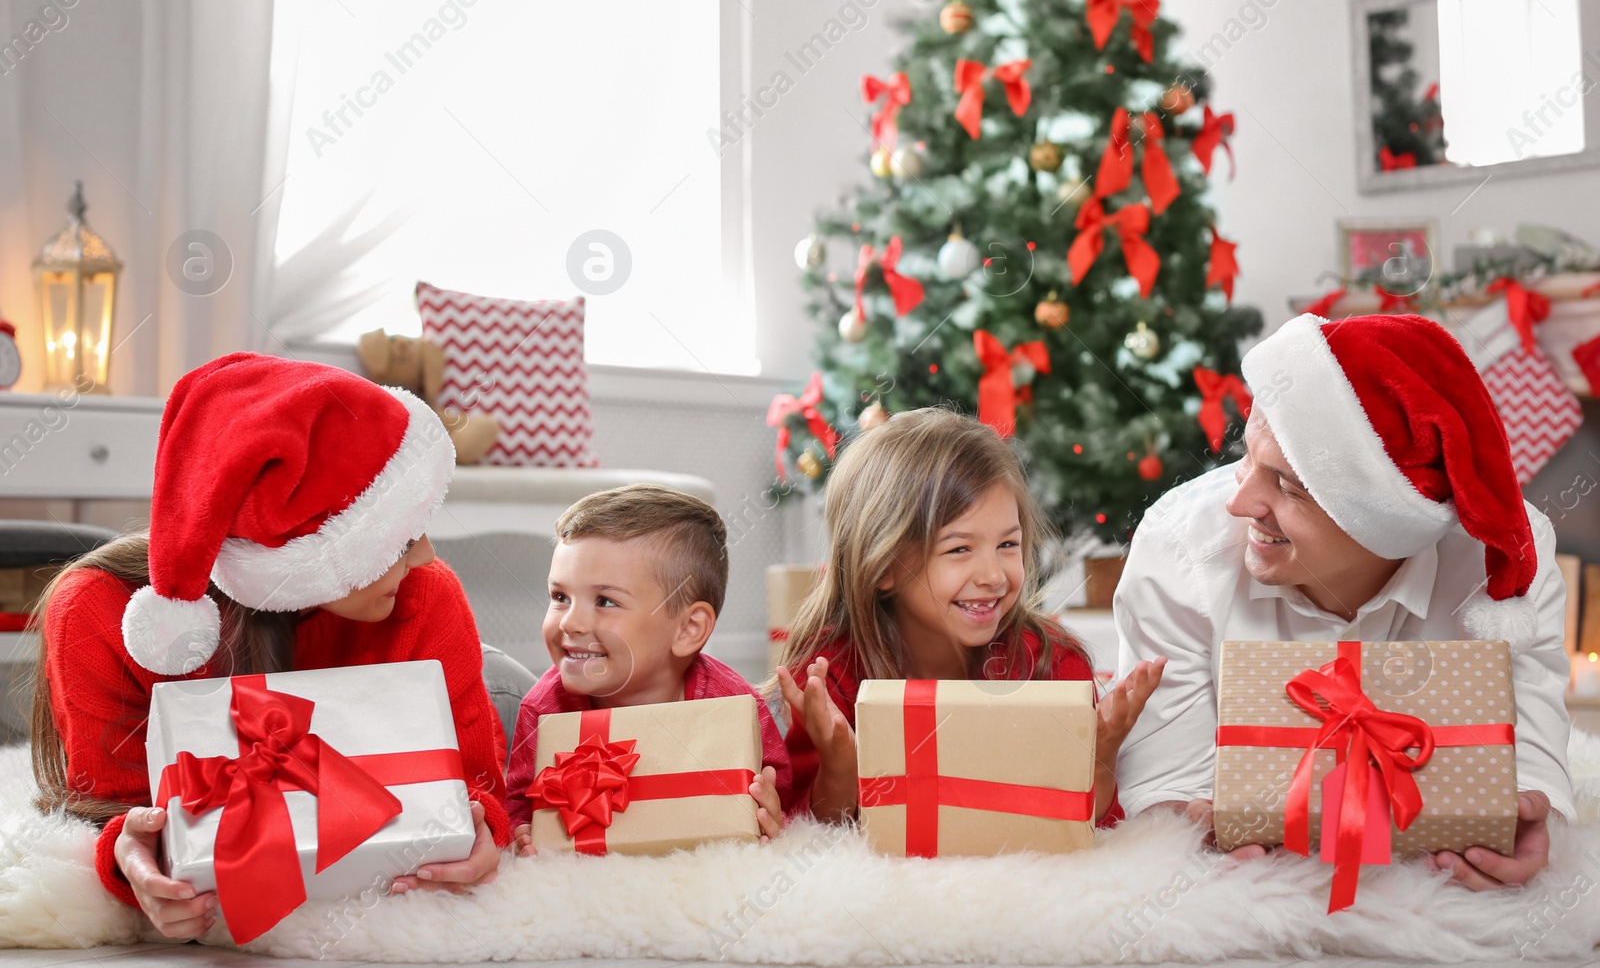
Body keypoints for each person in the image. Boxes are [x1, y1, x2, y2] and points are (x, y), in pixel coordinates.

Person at [29, 352, 509, 940]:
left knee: (530, 702)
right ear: (306, 552)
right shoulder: (100, 611)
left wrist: (489, 832)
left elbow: (480, 784)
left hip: (502, 682)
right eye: (400, 536)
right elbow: (113, 804)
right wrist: (133, 859)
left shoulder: (422, 593)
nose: (428, 555)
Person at [1115, 313, 1574, 891]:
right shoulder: (1179, 548)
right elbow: (1166, 779)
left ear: (1383, 522)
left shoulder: (1505, 560)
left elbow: (1529, 732)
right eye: (1246, 456)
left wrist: (1534, 811)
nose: (1240, 502)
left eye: (1286, 485)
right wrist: (1183, 823)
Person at [776, 407, 1164, 824]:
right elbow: (812, 836)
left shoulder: (1051, 664)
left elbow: (1092, 830)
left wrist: (1099, 758)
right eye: (959, 549)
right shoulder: (829, 673)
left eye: (1008, 545)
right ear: (884, 567)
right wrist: (840, 767)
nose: (994, 575)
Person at [506, 484, 791, 851]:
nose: (569, 623)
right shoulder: (545, 709)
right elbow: (516, 801)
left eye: (605, 601)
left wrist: (772, 813)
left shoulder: (733, 706)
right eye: (560, 597)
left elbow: (780, 790)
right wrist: (521, 832)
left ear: (688, 629)